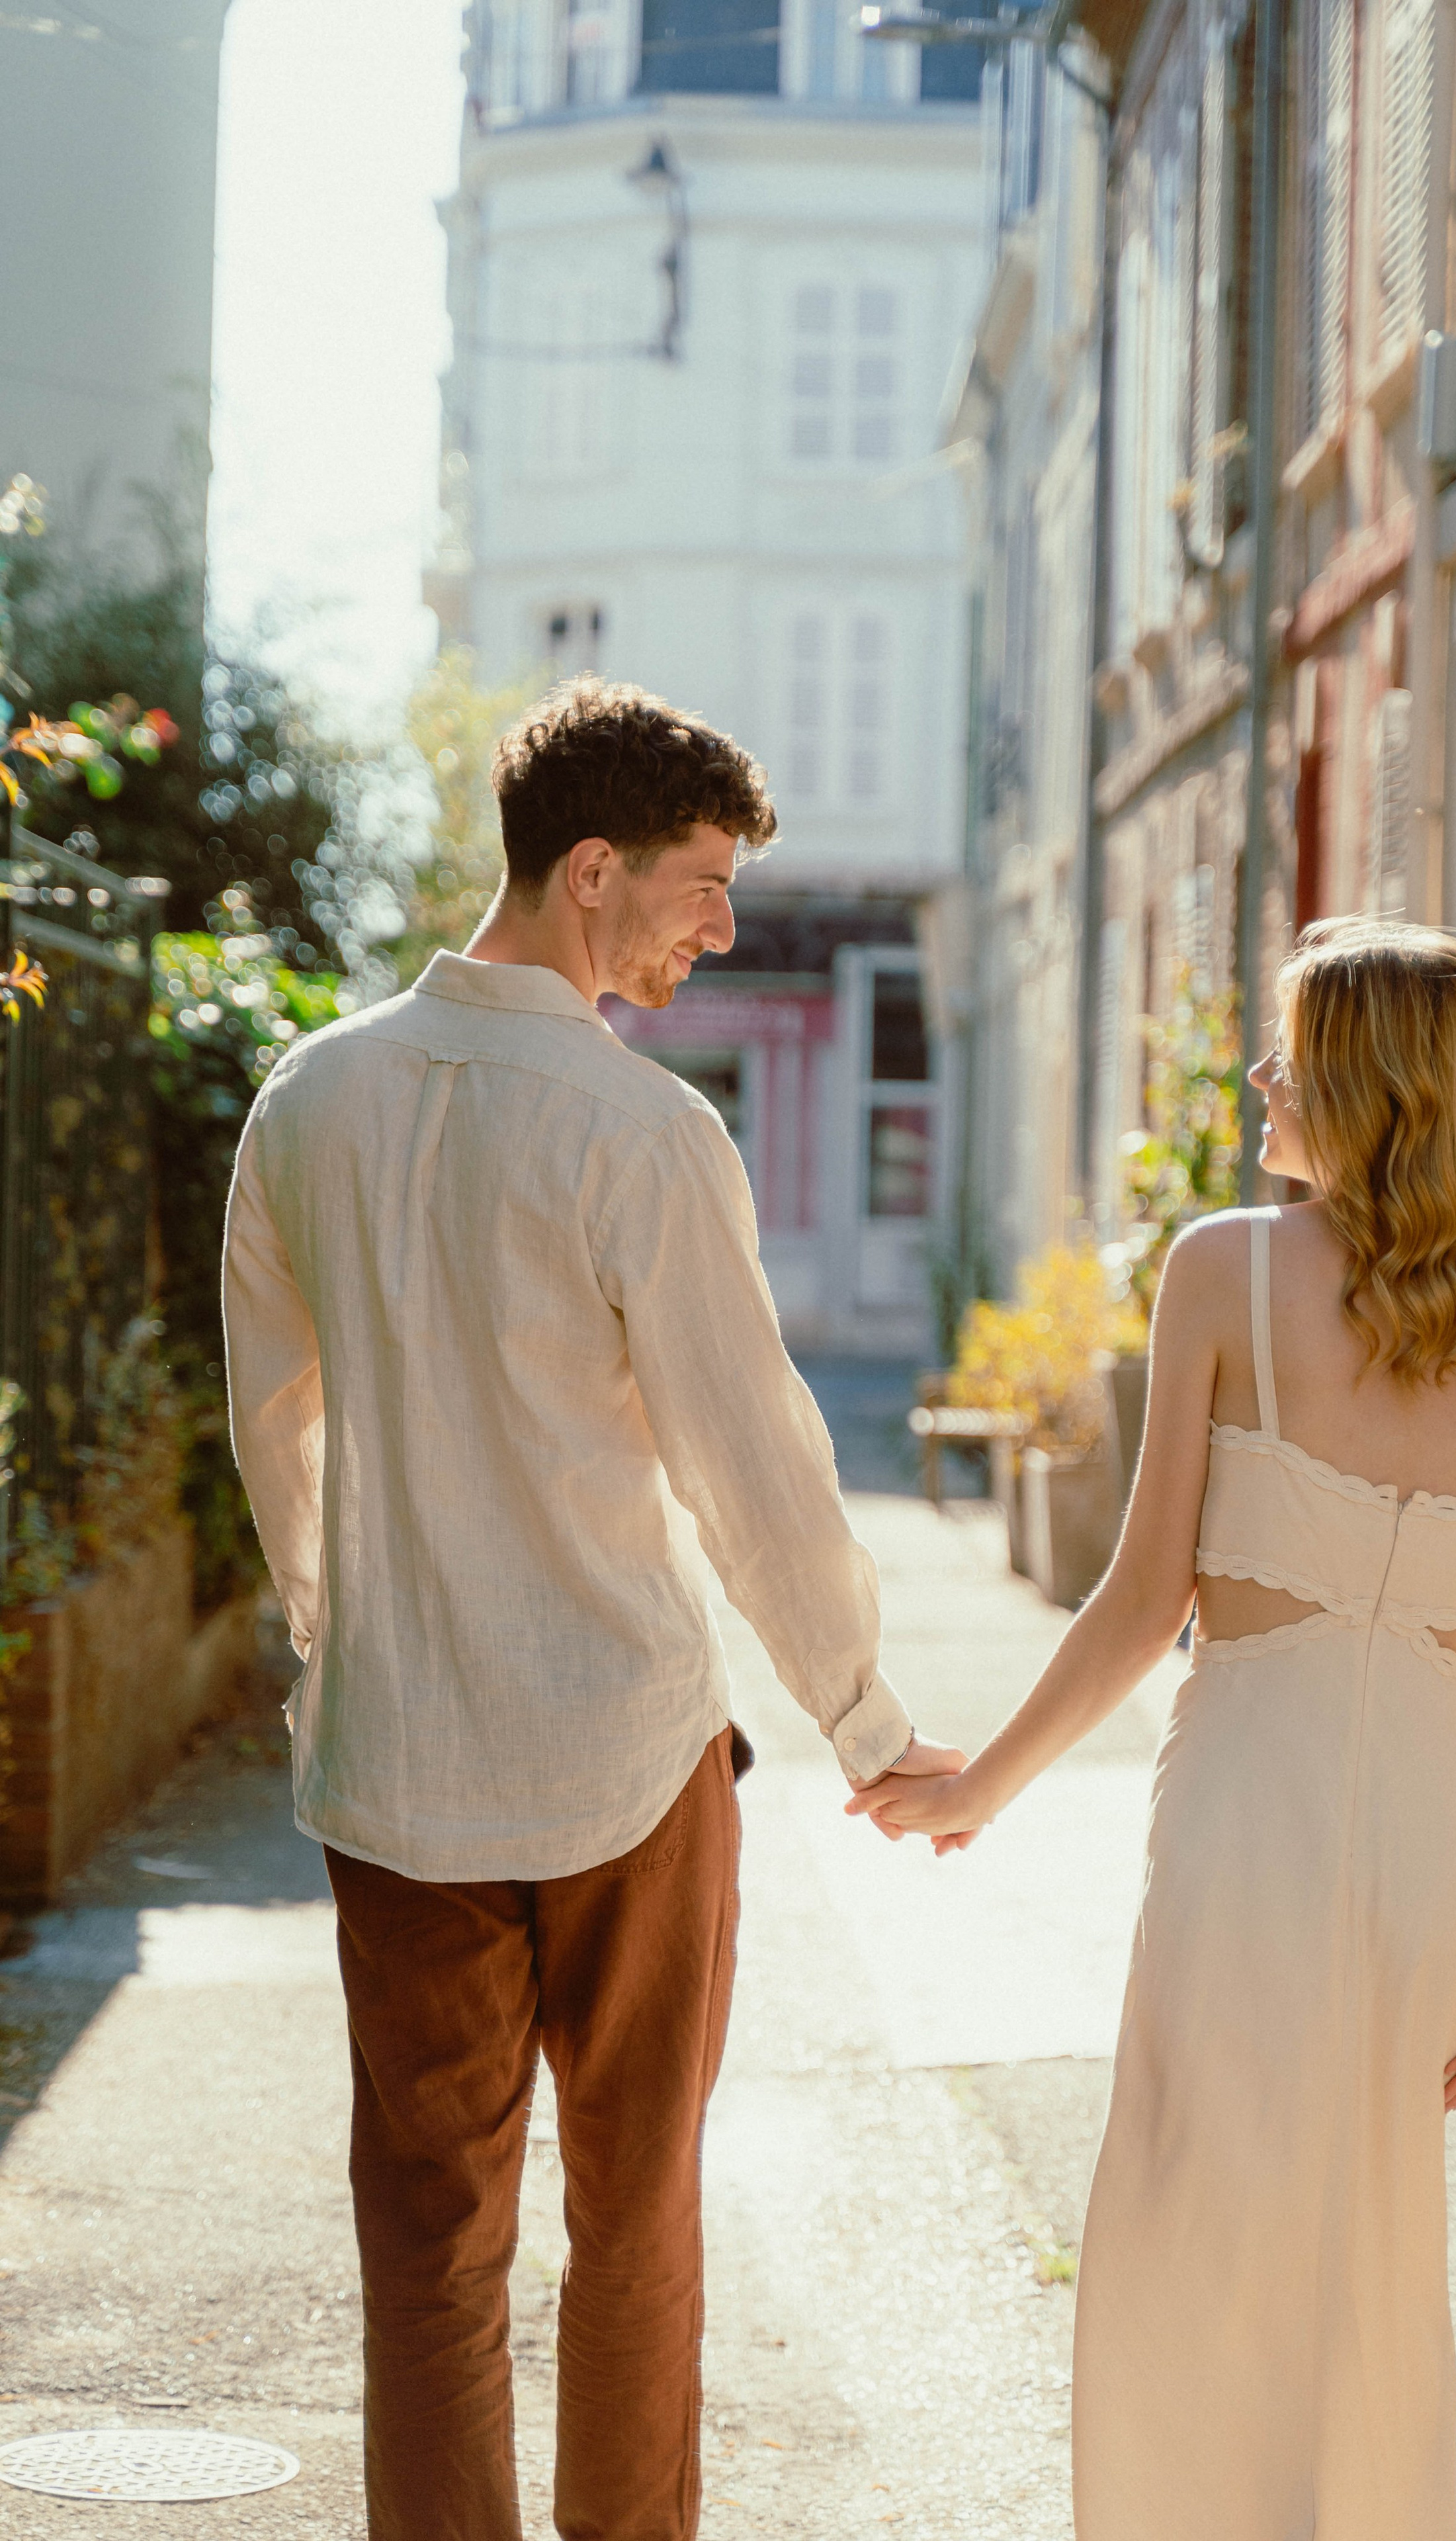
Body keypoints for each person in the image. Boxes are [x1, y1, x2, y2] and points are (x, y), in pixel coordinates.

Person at [222, 677, 961, 2541]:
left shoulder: (307, 1100)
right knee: (637, 2230)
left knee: (429, 2248)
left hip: (401, 1775)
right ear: (595, 872)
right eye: (704, 885)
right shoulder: (643, 1138)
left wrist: (341, 1651)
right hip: (628, 1771)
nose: (723, 925)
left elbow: (271, 1421)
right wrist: (866, 1725)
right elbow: (756, 1473)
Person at [852, 917, 1456, 2540]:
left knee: (1191, 2237)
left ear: (1366, 1086)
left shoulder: (1220, 1269)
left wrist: (973, 1788)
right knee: (1369, 2247)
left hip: (1250, 1818)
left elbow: (1139, 1603)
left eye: (1287, 1051)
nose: (1257, 1075)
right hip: (1443, 1844)